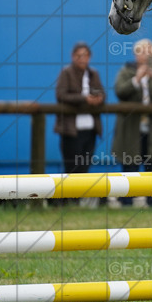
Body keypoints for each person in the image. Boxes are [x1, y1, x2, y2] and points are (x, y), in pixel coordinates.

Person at [112, 39, 152, 207]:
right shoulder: (126, 71)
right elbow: (120, 92)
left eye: (149, 52)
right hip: (131, 129)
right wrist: (137, 79)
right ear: (136, 54)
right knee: (130, 165)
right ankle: (127, 200)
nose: (146, 55)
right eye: (142, 52)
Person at [54, 42, 105, 204]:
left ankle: (78, 200)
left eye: (85, 55)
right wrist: (84, 99)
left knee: (85, 166)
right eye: (79, 55)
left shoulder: (93, 73)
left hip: (90, 129)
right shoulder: (66, 72)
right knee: (71, 166)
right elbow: (61, 95)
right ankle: (68, 201)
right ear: (73, 56)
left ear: (89, 57)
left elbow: (102, 93)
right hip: (70, 129)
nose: (82, 59)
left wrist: (98, 99)